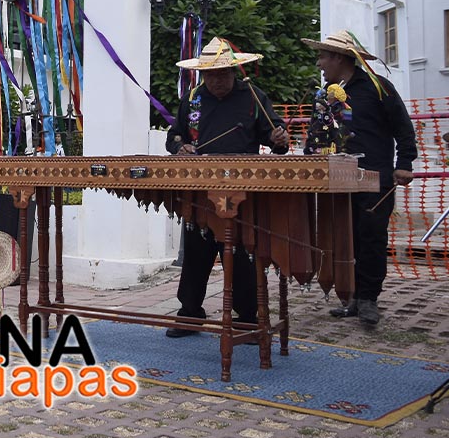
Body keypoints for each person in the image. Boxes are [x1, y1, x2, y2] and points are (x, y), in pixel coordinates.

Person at [164, 37, 290, 338]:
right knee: (196, 253)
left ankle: (246, 318)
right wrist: (181, 147)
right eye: (210, 75)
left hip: (241, 190)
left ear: (234, 72)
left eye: (222, 74)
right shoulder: (193, 99)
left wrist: (279, 139)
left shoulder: (253, 97)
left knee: (243, 254)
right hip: (200, 191)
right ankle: (190, 313)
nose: (217, 81)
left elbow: (275, 137)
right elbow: (174, 136)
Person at [302, 30, 417, 326]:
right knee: (346, 239)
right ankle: (351, 295)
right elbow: (316, 135)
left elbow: (403, 128)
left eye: (323, 57)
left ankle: (368, 299)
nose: (319, 63)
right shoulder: (326, 94)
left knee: (371, 237)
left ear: (339, 58)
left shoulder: (379, 88)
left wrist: (404, 163)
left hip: (375, 178)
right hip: (339, 180)